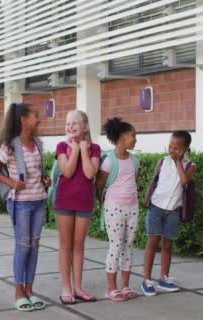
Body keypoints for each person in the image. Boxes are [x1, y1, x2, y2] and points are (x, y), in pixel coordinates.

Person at [0, 103, 50, 312]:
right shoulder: (11, 146)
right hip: (20, 203)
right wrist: (11, 182)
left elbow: (38, 170)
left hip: (39, 200)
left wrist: (45, 179)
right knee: (23, 246)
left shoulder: (38, 143)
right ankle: (18, 291)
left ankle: (30, 290)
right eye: (35, 115)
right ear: (23, 120)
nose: (38, 119)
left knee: (34, 245)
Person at [53, 110, 100, 304]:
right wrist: (76, 150)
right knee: (65, 246)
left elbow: (90, 174)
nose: (70, 126)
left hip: (84, 202)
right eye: (68, 123)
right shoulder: (62, 146)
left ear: (86, 127)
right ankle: (66, 287)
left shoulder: (95, 148)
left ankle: (78, 287)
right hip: (64, 201)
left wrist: (84, 150)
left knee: (79, 246)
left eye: (75, 123)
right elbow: (68, 171)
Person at [141, 130, 195, 296]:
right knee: (152, 242)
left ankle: (164, 278)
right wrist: (147, 197)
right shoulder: (162, 161)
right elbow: (154, 181)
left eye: (176, 148)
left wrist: (178, 162)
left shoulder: (190, 166)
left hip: (173, 210)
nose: (172, 151)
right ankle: (146, 280)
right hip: (156, 207)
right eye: (170, 146)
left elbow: (185, 181)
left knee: (167, 245)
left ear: (186, 148)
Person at [95, 117, 140, 301]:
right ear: (121, 137)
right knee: (115, 246)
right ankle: (111, 288)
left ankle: (126, 286)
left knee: (128, 246)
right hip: (114, 208)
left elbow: (132, 182)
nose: (135, 139)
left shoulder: (135, 160)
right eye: (132, 135)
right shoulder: (108, 161)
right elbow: (99, 186)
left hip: (132, 208)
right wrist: (103, 205)